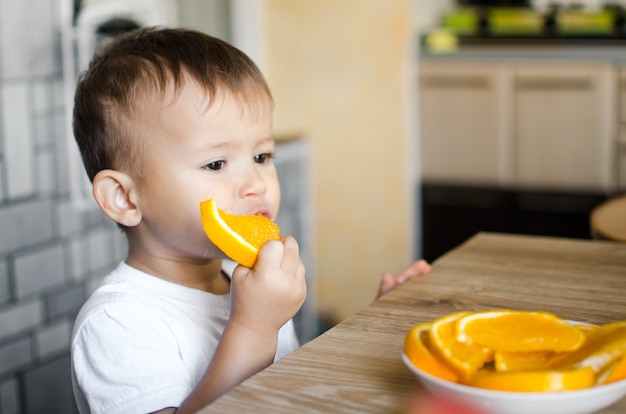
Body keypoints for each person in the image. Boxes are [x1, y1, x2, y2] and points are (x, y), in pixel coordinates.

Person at [70, 27, 430, 414]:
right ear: (124, 198)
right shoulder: (118, 323)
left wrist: (375, 326)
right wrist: (254, 328)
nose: (256, 184)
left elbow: (294, 383)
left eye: (262, 156)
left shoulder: (243, 280)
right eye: (216, 163)